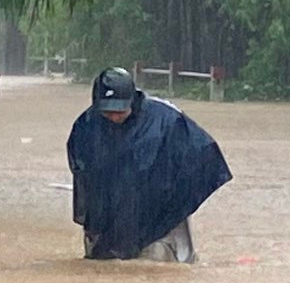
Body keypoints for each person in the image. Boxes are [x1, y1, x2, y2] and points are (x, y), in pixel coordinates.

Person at [66, 67, 231, 262]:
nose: (114, 116)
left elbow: (202, 155)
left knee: (159, 269)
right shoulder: (86, 126)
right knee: (105, 268)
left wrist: (172, 197)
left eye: (120, 110)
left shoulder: (166, 120)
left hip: (162, 216)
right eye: (107, 111)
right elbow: (82, 173)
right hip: (114, 215)